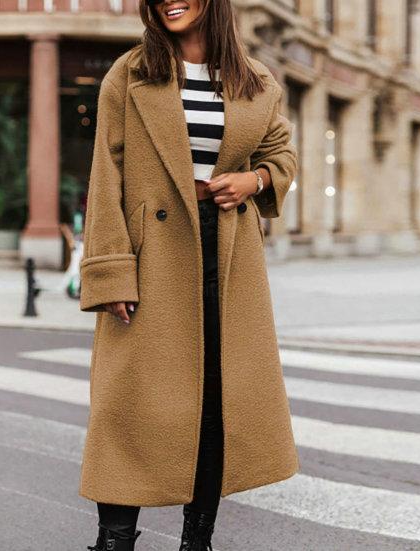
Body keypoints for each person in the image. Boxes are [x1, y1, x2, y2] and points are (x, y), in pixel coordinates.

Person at [80, 1, 300, 549]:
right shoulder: (131, 73)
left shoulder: (254, 80)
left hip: (227, 254)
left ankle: (197, 541)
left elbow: (281, 155)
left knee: (216, 405)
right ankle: (114, 541)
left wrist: (254, 181)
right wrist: (111, 272)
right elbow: (106, 173)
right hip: (151, 255)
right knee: (130, 403)